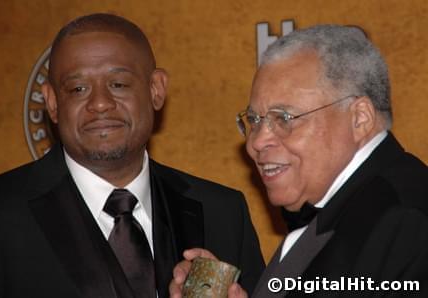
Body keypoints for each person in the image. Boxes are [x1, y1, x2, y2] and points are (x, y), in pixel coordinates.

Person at [0, 13, 265, 298]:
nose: (101, 103)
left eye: (118, 84)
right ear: (53, 102)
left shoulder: (223, 213)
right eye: (78, 89)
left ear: (156, 90)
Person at [170, 24, 428, 297]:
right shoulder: (344, 210)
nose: (256, 142)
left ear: (359, 118)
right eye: (254, 120)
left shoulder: (408, 222)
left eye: (284, 118)